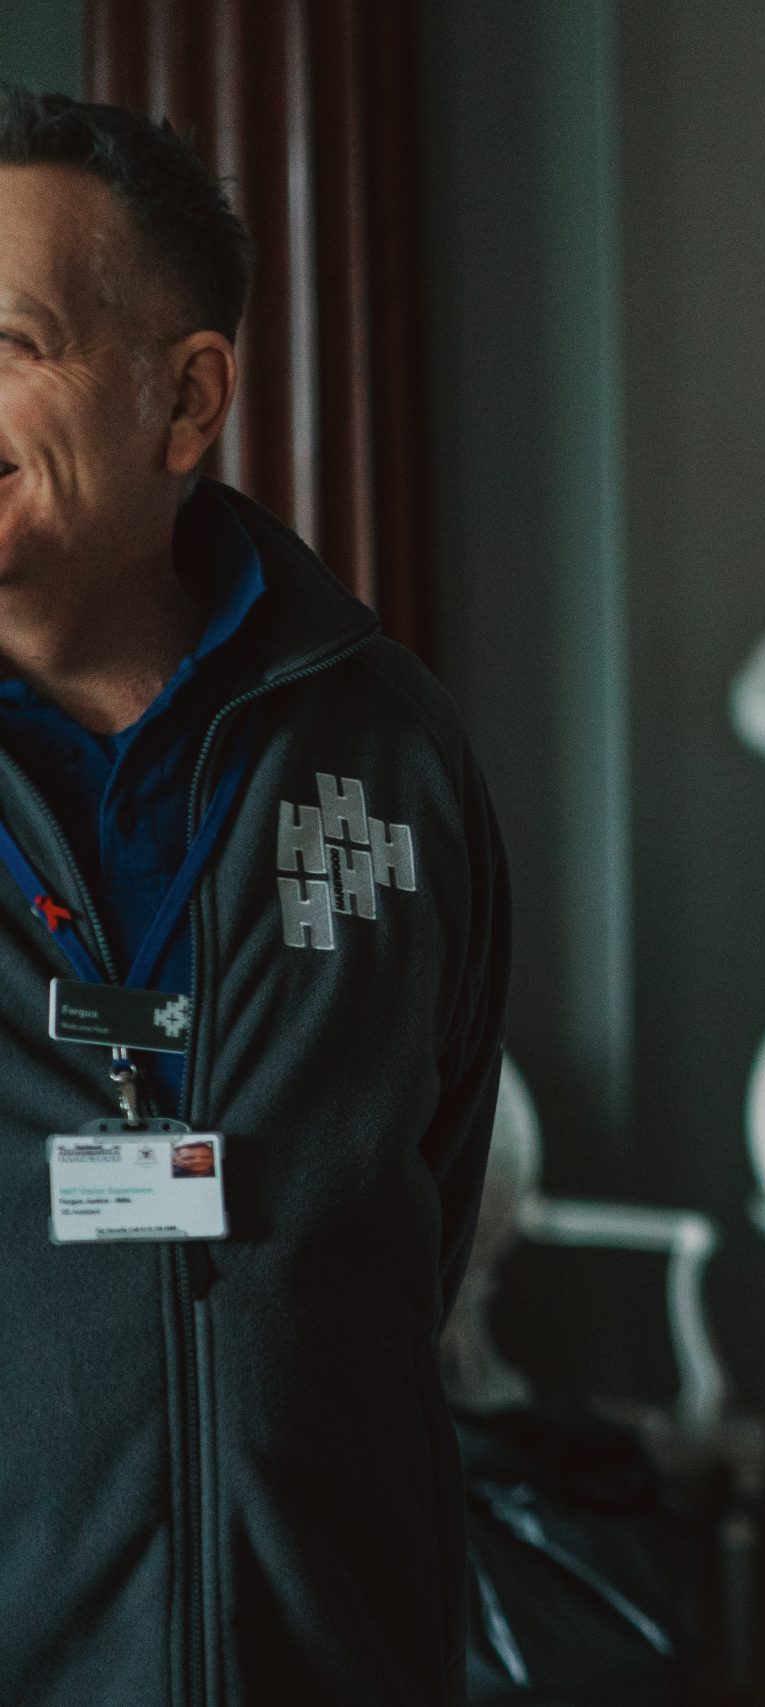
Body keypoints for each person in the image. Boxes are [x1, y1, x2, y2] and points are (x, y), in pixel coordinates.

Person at [0, 88, 509, 1705]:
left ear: (188, 394)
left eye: (13, 342)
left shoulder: (390, 749)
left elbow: (421, 1190)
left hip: (328, 1650)